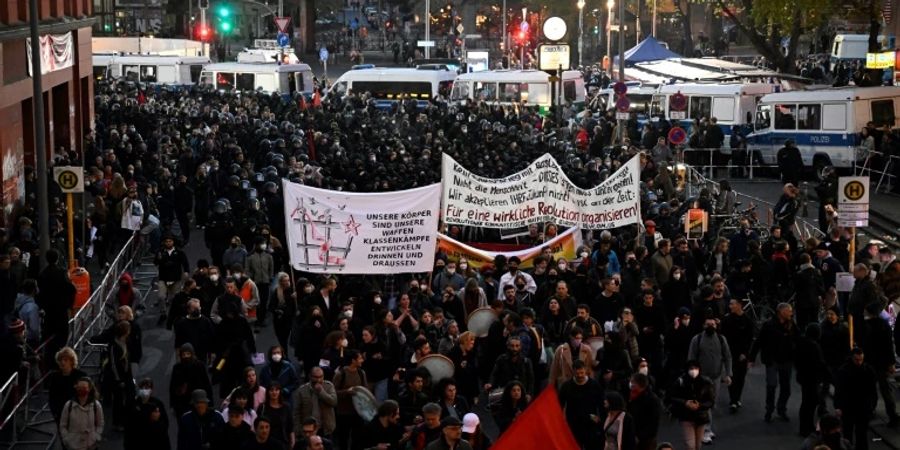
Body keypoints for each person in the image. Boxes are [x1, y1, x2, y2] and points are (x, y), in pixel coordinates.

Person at [749, 302, 797, 423]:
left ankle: (782, 409)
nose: (791, 313)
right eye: (789, 310)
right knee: (771, 385)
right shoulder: (769, 325)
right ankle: (769, 410)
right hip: (772, 360)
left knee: (786, 388)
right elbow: (759, 341)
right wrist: (752, 358)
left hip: (787, 360)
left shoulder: (791, 324)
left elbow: (798, 340)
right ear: (781, 311)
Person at [686, 316, 732, 443]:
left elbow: (727, 357)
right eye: (708, 324)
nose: (710, 326)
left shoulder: (722, 339)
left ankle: (704, 427)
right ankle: (706, 430)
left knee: (711, 403)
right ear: (703, 326)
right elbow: (691, 358)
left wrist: (728, 374)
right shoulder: (697, 339)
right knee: (704, 404)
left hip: (716, 377)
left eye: (713, 324)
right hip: (702, 378)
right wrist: (692, 374)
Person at [834, 348, 878, 450]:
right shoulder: (844, 371)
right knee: (849, 434)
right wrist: (838, 406)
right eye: (856, 360)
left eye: (861, 360)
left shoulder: (868, 371)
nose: (859, 362)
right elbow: (839, 390)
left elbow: (873, 391)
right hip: (849, 407)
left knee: (861, 434)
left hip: (862, 407)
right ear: (852, 358)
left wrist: (871, 406)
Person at [666, 361, 714, 450]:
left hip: (701, 417)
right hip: (686, 417)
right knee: (690, 445)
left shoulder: (706, 382)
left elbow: (711, 401)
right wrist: (685, 403)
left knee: (698, 446)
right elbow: (671, 397)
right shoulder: (680, 382)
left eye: (696, 368)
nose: (694, 371)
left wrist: (700, 405)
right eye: (691, 369)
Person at [37, 249, 75, 359]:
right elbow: (71, 289)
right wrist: (69, 304)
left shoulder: (43, 274)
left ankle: (50, 357)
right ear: (57, 259)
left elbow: (41, 293)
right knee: (62, 335)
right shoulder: (62, 272)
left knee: (49, 335)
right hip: (61, 309)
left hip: (49, 310)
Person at [559, 360, 605, 450]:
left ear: (585, 370)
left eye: (582, 373)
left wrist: (600, 418)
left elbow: (602, 403)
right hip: (573, 424)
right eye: (577, 373)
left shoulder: (594, 385)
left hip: (590, 425)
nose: (580, 375)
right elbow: (560, 404)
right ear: (573, 372)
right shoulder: (566, 386)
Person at [720, 298, 754, 413]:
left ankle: (737, 397)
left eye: (732, 304)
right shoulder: (727, 320)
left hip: (742, 354)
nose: (730, 306)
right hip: (730, 354)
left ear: (740, 305)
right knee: (731, 376)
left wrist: (745, 353)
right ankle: (733, 400)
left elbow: (750, 339)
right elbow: (722, 337)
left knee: (741, 377)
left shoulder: (747, 321)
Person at [795, 323, 828, 438]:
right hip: (812, 379)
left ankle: (806, 427)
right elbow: (821, 363)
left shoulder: (801, 343)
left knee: (806, 403)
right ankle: (807, 428)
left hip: (804, 378)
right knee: (810, 404)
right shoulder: (814, 346)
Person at [124, 378, 170, 450]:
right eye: (143, 387)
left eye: (148, 387)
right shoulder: (133, 405)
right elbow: (129, 426)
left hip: (155, 442)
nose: (145, 389)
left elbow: (164, 425)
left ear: (151, 390)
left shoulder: (157, 404)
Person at [170, 343, 214, 418]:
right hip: (183, 403)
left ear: (192, 354)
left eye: (188, 354)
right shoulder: (177, 368)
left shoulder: (199, 366)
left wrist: (210, 402)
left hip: (198, 401)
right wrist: (173, 405)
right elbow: (172, 387)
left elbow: (206, 384)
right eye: (184, 354)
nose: (186, 357)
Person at [154, 234, 191, 325]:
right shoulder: (160, 252)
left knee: (175, 298)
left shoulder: (179, 252)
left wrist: (186, 271)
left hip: (176, 279)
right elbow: (155, 262)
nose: (168, 243)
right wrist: (158, 259)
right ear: (164, 242)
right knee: (161, 296)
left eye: (170, 241)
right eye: (166, 241)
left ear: (173, 242)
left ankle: (175, 313)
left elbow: (185, 263)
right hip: (163, 278)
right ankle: (163, 313)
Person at [59, 377, 104, 450]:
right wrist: (66, 439)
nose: (81, 389)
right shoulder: (68, 405)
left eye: (84, 387)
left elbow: (100, 423)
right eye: (79, 387)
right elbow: (62, 425)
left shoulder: (96, 405)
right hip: (73, 445)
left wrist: (96, 436)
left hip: (91, 444)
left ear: (89, 389)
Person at [293, 366, 338, 438]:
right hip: (308, 429)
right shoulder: (302, 390)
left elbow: (334, 402)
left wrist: (321, 392)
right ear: (310, 377)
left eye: (321, 377)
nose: (319, 380)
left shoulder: (328, 386)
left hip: (325, 428)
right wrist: (298, 429)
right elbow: (296, 412)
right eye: (316, 377)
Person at [47, 347, 87, 426]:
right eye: (60, 360)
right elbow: (52, 396)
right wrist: (55, 413)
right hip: (61, 414)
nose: (62, 362)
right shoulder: (55, 377)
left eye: (65, 360)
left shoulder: (81, 376)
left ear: (71, 361)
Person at [174, 298, 216, 363]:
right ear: (188, 310)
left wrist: (212, 353)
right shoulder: (182, 323)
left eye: (198, 307)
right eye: (194, 308)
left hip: (202, 355)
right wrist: (178, 357)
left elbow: (211, 338)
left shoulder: (206, 321)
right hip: (187, 355)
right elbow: (178, 341)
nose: (197, 310)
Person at [627, 373, 661, 450]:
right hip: (633, 436)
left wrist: (639, 437)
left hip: (646, 440)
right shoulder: (632, 395)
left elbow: (653, 423)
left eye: (632, 382)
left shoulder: (652, 400)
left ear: (638, 384)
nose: (630, 383)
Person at [257, 382, 294, 448]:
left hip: (283, 442)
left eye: (276, 390)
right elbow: (258, 426)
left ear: (280, 391)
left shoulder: (286, 407)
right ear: (268, 392)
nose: (274, 392)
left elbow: (290, 427)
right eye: (271, 390)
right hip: (266, 443)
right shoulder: (262, 407)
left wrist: (292, 442)